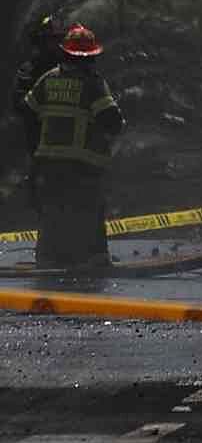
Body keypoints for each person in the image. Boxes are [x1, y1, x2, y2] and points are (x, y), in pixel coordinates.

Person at [23, 25, 123, 270]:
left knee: (53, 210)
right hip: (83, 163)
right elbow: (112, 121)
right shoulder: (93, 84)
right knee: (90, 208)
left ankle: (49, 258)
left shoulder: (48, 79)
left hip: (49, 161)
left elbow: (27, 111)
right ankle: (94, 258)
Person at [12, 16, 64, 155]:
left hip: (70, 143)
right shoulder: (28, 70)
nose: (53, 44)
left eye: (56, 39)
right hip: (39, 143)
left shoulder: (71, 68)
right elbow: (19, 104)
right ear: (39, 42)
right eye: (48, 39)